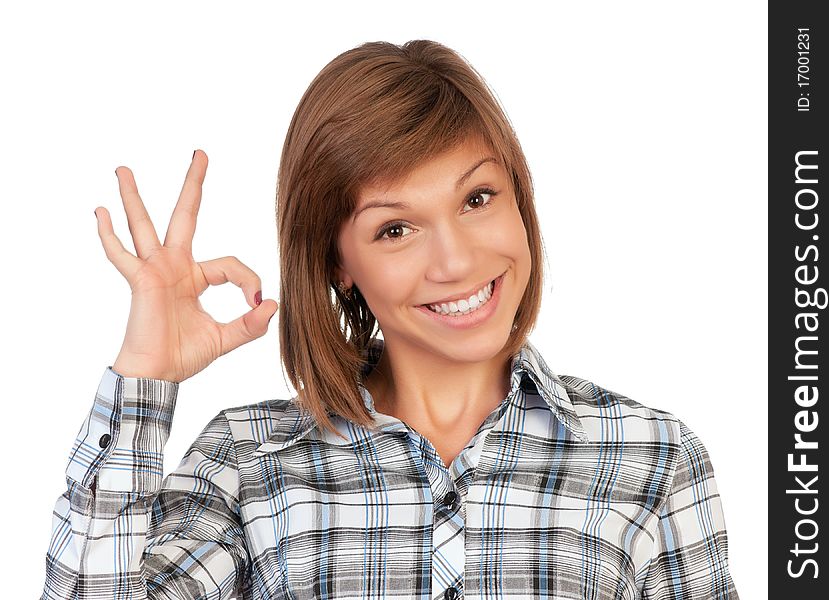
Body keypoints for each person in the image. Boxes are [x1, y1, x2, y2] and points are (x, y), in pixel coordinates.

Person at [42, 40, 738, 600]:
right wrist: (144, 380)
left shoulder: (654, 459)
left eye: (477, 198)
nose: (457, 262)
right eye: (396, 230)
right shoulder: (247, 465)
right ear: (337, 262)